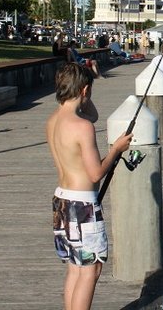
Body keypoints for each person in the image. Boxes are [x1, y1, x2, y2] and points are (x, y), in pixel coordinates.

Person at [46, 63, 132, 310]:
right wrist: (116, 149)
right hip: (82, 206)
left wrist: (85, 91)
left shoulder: (53, 121)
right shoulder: (82, 127)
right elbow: (95, 173)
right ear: (85, 91)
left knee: (76, 267)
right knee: (91, 270)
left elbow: (91, 114)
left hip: (62, 201)